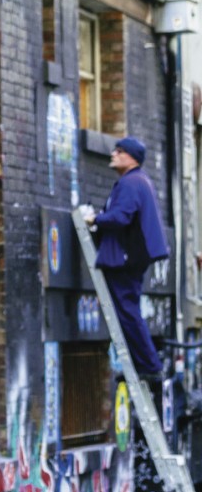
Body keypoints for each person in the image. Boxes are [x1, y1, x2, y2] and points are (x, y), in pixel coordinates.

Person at [82, 136, 168, 379]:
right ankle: (146, 364)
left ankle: (148, 365)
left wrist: (95, 219)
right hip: (131, 256)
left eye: (119, 151)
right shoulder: (139, 181)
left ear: (131, 157)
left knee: (127, 311)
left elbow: (120, 217)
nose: (113, 154)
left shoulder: (130, 183)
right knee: (127, 310)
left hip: (125, 258)